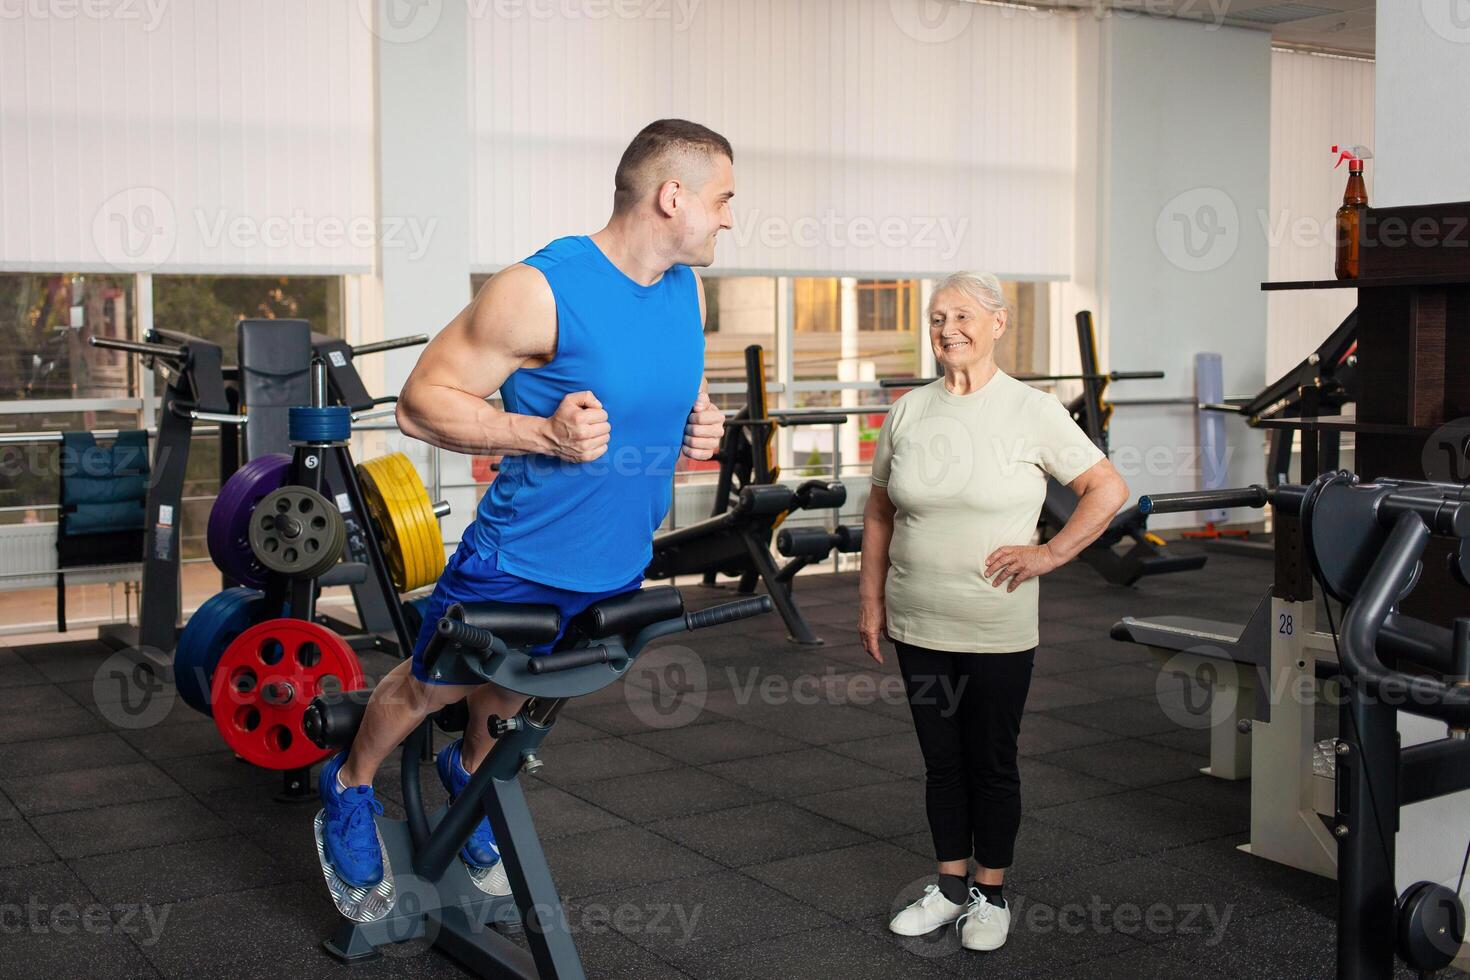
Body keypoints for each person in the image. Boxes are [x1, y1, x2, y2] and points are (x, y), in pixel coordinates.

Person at [317, 119, 735, 890]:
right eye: (724, 199)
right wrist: (541, 432)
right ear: (673, 197)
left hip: (613, 563)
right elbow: (419, 404)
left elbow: (663, 390)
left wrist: (700, 419)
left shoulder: (683, 289)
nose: (731, 217)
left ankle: (466, 778)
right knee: (429, 685)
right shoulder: (539, 289)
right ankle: (348, 785)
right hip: (519, 558)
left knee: (516, 696)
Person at [860, 272, 1128, 952]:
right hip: (918, 621)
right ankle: (949, 886)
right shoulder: (910, 411)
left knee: (991, 760)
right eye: (937, 316)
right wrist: (869, 601)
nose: (948, 328)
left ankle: (990, 892)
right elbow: (881, 508)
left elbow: (1106, 486)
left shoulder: (1031, 410)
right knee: (940, 761)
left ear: (998, 324)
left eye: (962, 315)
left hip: (995, 627)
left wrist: (1052, 553)